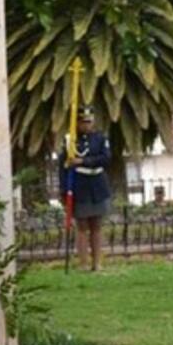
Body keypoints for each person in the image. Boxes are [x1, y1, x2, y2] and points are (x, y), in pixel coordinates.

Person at [61, 106, 113, 271]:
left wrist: (83, 161)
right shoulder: (70, 140)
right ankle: (83, 263)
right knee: (82, 226)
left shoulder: (100, 138)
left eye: (89, 121)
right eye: (83, 121)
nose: (87, 125)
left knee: (96, 225)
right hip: (79, 186)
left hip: (97, 184)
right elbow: (62, 167)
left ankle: (97, 263)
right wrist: (64, 191)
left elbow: (105, 158)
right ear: (77, 122)